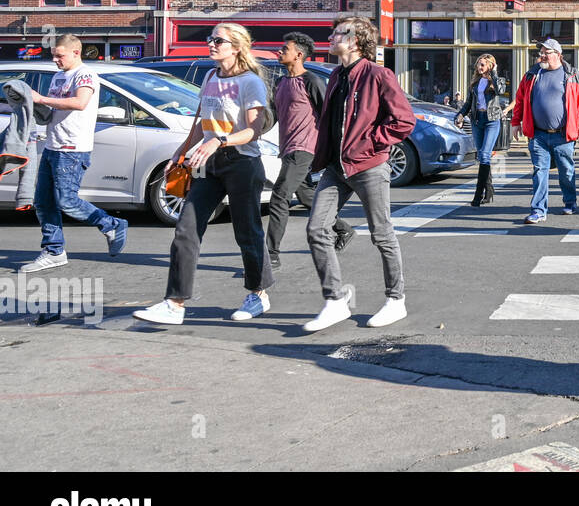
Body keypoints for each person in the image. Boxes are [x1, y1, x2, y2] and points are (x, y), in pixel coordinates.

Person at [134, 24, 271, 325]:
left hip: (241, 162)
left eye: (218, 40)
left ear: (236, 47)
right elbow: (201, 123)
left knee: (246, 231)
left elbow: (254, 130)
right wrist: (180, 152)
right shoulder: (210, 76)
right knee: (186, 229)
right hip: (207, 161)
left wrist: (219, 141)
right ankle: (175, 303)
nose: (211, 43)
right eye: (210, 39)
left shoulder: (250, 83)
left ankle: (258, 294)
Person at [302, 15, 416, 332]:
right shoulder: (337, 75)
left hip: (368, 166)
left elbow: (404, 121)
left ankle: (396, 300)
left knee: (382, 235)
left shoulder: (379, 75)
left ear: (355, 40)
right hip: (336, 167)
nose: (331, 36)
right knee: (316, 229)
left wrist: (371, 143)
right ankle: (336, 301)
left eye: (338, 33)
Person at [20, 34, 128, 273]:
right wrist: (31, 104)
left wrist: (40, 97)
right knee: (43, 202)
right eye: (53, 56)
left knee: (67, 201)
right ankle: (54, 250)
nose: (55, 60)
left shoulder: (85, 74)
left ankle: (111, 224)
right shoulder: (59, 76)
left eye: (60, 55)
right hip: (52, 145)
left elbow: (80, 103)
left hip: (73, 149)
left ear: (76, 53)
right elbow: (52, 109)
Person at [265, 33, 355, 270]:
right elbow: (273, 116)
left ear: (299, 55)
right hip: (287, 148)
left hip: (305, 148)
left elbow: (329, 115)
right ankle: (342, 229)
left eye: (285, 48)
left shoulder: (311, 81)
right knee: (306, 196)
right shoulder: (281, 83)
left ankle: (270, 255)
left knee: (279, 196)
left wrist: (335, 150)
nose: (280, 51)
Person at [510, 38, 579, 224]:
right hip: (538, 134)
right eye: (542, 52)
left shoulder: (573, 75)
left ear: (558, 55)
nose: (543, 55)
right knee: (540, 171)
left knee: (566, 171)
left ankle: (570, 201)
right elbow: (520, 99)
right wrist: (516, 121)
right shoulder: (532, 74)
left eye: (547, 52)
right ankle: (538, 210)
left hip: (563, 134)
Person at [455, 54, 513, 207]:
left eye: (483, 65)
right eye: (478, 65)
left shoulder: (496, 81)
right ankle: (489, 190)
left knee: (486, 154)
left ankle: (477, 195)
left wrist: (493, 73)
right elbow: (469, 102)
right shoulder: (475, 82)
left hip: (492, 121)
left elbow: (500, 91)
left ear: (490, 66)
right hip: (477, 120)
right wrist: (460, 115)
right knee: (481, 156)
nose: (479, 68)